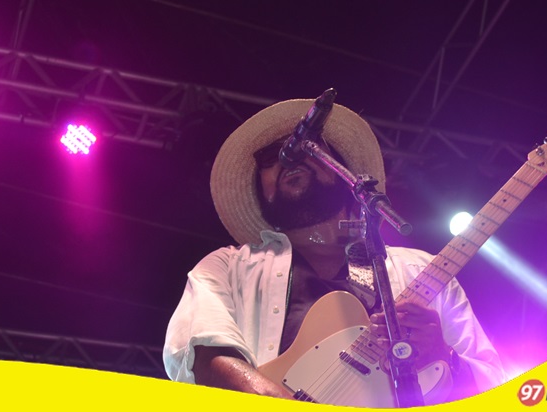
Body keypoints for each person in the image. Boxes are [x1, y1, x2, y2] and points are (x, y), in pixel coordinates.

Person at [163, 97, 507, 406]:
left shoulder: (421, 271)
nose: (290, 158)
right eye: (271, 158)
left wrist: (446, 358)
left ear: (345, 173)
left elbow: (496, 390)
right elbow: (200, 354)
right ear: (259, 192)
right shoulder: (227, 268)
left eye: (309, 147)